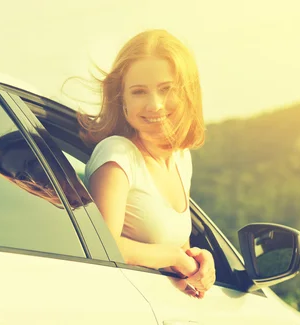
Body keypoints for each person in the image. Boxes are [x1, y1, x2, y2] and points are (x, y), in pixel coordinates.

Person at [79, 29, 215, 298]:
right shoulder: (117, 155)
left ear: (188, 92)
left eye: (167, 89)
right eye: (139, 92)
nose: (155, 105)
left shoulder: (181, 159)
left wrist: (199, 260)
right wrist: (173, 257)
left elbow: (176, 245)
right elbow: (102, 245)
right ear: (123, 101)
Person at [0, 131, 92, 210]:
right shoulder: (64, 215)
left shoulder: (94, 176)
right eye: (22, 177)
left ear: (50, 153)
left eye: (33, 164)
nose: (33, 179)